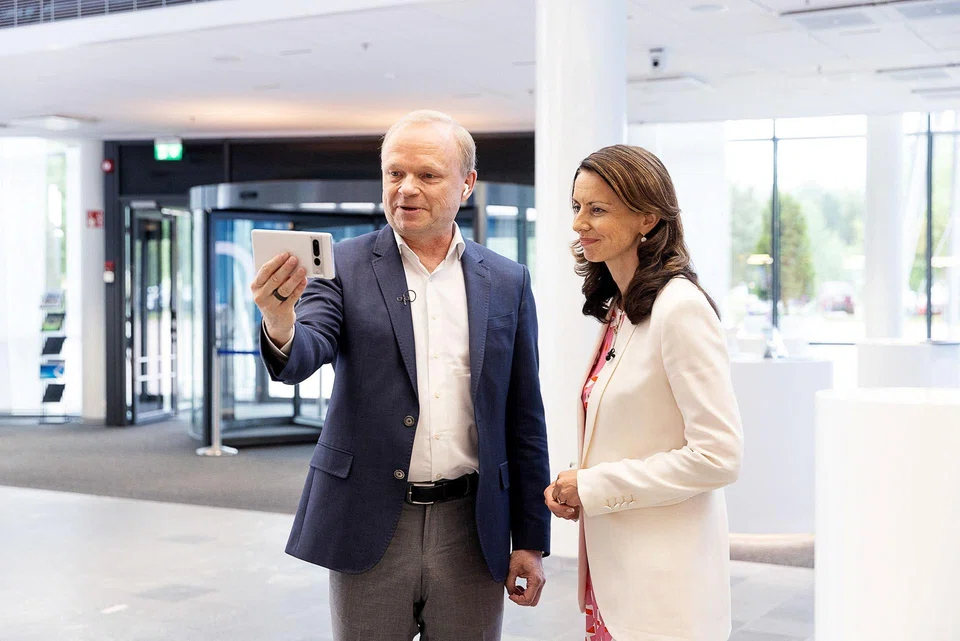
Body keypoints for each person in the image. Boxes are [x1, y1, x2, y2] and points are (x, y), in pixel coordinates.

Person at [251, 110, 551, 641]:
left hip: (472, 526)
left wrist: (529, 538)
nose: (406, 189)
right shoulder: (341, 265)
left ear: (467, 184)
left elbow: (525, 417)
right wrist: (279, 318)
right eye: (394, 173)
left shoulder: (507, 281)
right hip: (370, 520)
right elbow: (305, 351)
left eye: (427, 175)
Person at [544, 144, 743, 641]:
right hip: (617, 578)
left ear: (648, 218)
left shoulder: (681, 309)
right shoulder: (621, 308)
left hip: (663, 586)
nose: (578, 224)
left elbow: (719, 457)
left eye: (598, 209)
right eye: (576, 207)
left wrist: (593, 486)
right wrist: (579, 484)